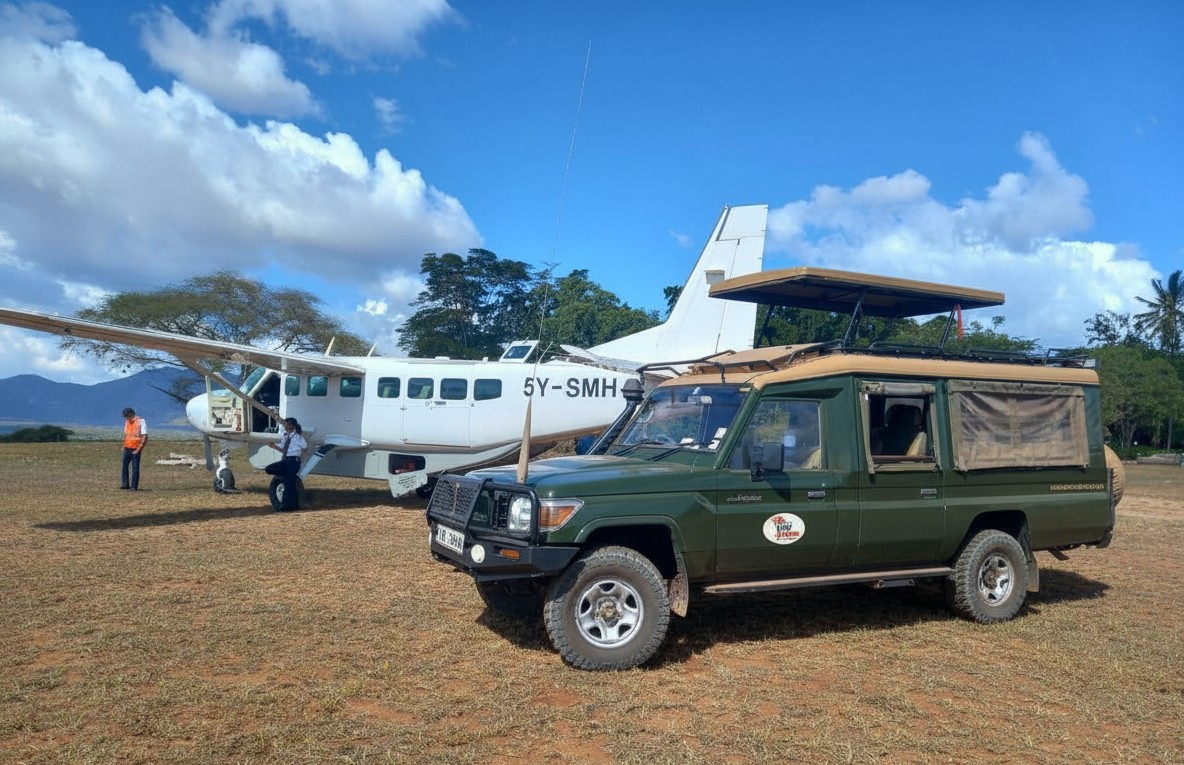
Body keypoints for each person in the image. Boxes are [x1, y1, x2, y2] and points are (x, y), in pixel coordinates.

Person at [271, 417, 307, 511]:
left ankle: (289, 505)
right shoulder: (285, 436)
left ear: (294, 426)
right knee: (271, 470)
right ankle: (288, 503)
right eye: (286, 424)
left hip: (293, 460)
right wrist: (274, 446)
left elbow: (304, 448)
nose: (287, 426)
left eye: (289, 424)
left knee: (289, 483)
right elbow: (283, 449)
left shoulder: (298, 437)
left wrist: (300, 459)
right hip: (286, 459)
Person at [120, 407, 148, 490]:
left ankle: (134, 486)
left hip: (136, 448)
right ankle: (125, 484)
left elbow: (145, 436)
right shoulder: (127, 422)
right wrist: (124, 445)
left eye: (128, 416)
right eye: (126, 417)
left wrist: (139, 449)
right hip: (127, 447)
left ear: (132, 414)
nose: (127, 418)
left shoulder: (141, 421)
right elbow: (127, 435)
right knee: (124, 466)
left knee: (135, 467)